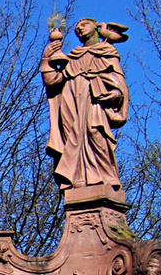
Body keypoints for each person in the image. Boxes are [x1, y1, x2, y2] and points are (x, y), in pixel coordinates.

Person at [41, 17, 130, 196]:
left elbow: (118, 81)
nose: (79, 29)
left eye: (83, 25)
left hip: (94, 102)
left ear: (97, 28)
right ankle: (78, 181)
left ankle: (106, 179)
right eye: (77, 28)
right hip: (70, 105)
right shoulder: (72, 57)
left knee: (96, 134)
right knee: (72, 141)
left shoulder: (107, 52)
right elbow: (53, 80)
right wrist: (47, 57)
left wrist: (116, 94)